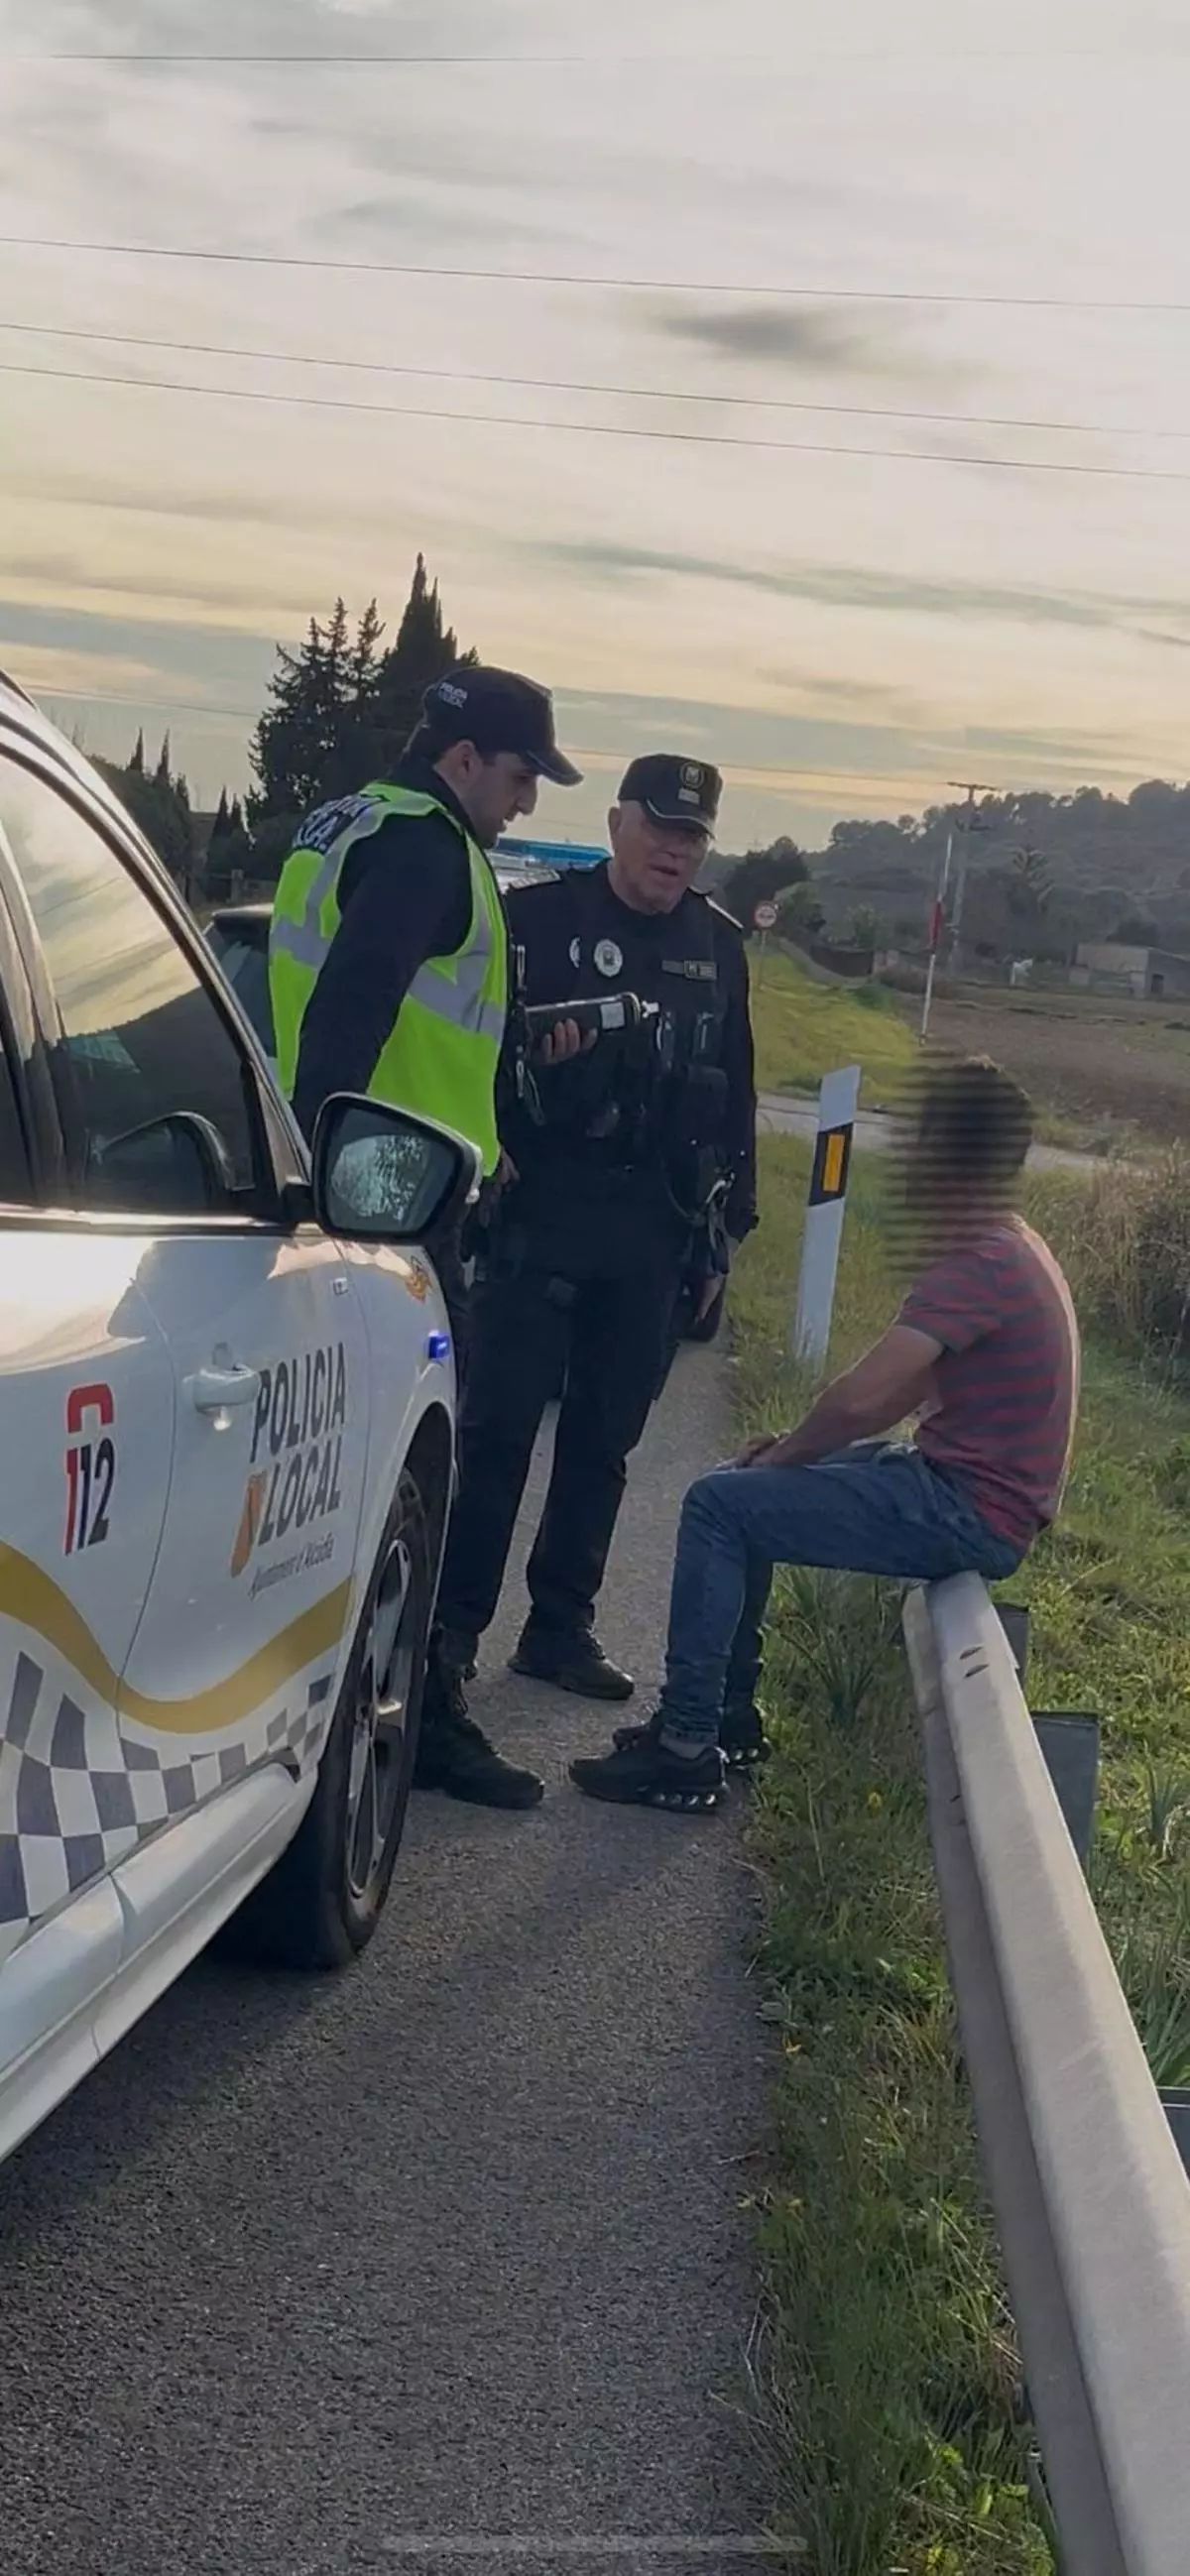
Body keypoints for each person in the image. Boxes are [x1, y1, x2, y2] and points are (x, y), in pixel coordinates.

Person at [570, 1055, 1079, 1813]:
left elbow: (864, 1398)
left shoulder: (979, 1260)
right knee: (745, 1490)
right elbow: (894, 1394)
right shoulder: (1009, 1244)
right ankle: (727, 1720)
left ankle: (684, 1746)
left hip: (967, 1508)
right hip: (972, 1491)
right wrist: (786, 1453)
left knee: (719, 1506)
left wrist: (796, 1451)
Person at [420, 753, 758, 1810]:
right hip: (541, 1216)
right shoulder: (536, 922)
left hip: (652, 1230)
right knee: (498, 1437)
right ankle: (448, 1640)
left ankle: (557, 1627)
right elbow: (467, 1052)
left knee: (604, 1441)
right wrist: (494, 1136)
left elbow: (736, 1094)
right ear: (615, 822)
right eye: (659, 827)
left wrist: (723, 1242)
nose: (674, 850)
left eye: (693, 836)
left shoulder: (717, 945)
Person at [269, 660, 583, 1341]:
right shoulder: (426, 850)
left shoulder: (349, 820)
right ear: (465, 759)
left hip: (355, 1173)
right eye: (521, 778)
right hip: (386, 1195)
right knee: (424, 1420)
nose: (527, 803)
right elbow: (353, 1009)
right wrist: (330, 1183)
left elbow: (420, 1020)